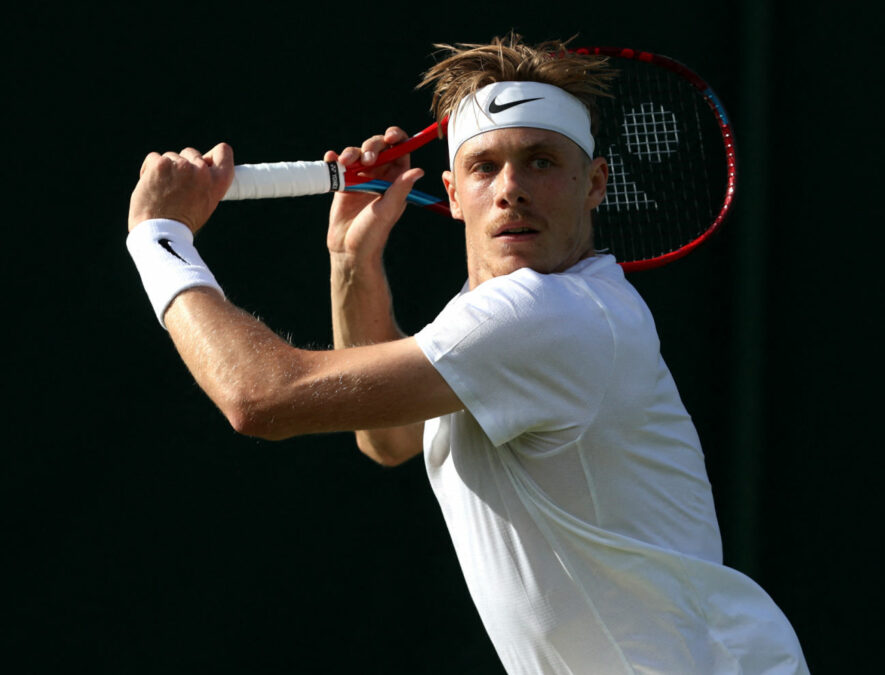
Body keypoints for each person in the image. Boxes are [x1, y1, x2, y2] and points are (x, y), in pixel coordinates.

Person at [126, 34, 807, 674]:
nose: (511, 187)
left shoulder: (554, 314)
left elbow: (260, 397)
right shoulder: (498, 319)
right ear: (451, 194)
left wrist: (160, 238)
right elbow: (389, 439)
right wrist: (352, 262)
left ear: (595, 184)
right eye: (485, 166)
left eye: (541, 160)